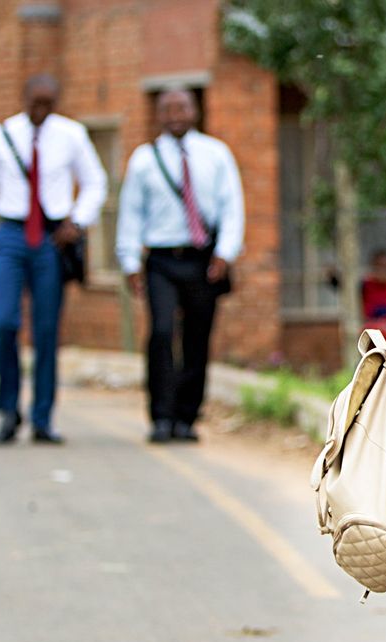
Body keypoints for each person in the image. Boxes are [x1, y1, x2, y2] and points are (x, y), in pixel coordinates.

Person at [0, 74, 107, 445]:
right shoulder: (0, 135)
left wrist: (77, 220)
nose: (41, 109)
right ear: (23, 97)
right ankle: (9, 408)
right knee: (4, 321)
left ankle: (43, 417)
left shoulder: (71, 135)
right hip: (10, 234)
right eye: (35, 102)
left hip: (52, 240)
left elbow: (96, 182)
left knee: (45, 330)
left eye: (48, 102)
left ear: (57, 100)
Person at [115, 89, 244, 444]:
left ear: (194, 111)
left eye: (182, 107)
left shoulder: (216, 154)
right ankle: (161, 415)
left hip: (203, 260)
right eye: (167, 108)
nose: (175, 114)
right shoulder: (143, 159)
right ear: (158, 114)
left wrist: (225, 253)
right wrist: (129, 262)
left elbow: (232, 206)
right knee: (160, 333)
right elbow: (130, 213)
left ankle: (187, 417)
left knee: (197, 337)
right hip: (160, 261)